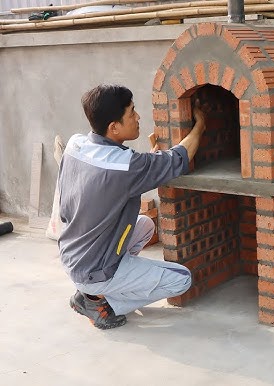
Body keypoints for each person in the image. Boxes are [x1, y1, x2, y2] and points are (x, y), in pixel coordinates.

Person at [58, 84, 205, 329]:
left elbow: (120, 175)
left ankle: (93, 291)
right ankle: (101, 305)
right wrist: (200, 125)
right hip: (96, 269)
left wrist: (146, 165)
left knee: (146, 225)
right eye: (132, 113)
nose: (138, 117)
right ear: (113, 127)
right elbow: (178, 158)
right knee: (182, 279)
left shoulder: (76, 146)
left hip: (73, 254)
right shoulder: (126, 167)